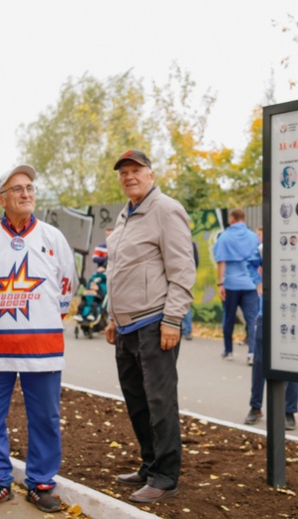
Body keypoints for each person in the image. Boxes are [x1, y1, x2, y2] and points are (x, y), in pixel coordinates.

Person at [0, 164, 76, 513]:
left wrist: (40, 320)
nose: (26, 193)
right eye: (17, 189)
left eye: (30, 187)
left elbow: (65, 288)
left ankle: (41, 484)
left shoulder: (53, 237)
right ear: (2, 198)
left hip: (42, 349)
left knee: (44, 417)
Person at [104, 150, 195, 503]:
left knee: (160, 403)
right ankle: (149, 464)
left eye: (136, 170)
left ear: (151, 174)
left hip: (155, 323)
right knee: (137, 402)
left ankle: (166, 476)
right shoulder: (126, 214)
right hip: (126, 327)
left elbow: (183, 270)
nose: (129, 176)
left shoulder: (166, 210)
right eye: (123, 172)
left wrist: (173, 320)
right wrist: (112, 316)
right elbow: (118, 271)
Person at [244, 243, 298, 429]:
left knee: (292, 362)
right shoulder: (263, 246)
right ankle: (255, 407)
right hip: (266, 312)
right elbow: (251, 264)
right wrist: (257, 282)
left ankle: (288, 412)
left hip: (294, 313)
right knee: (260, 362)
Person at [213, 209, 259, 363]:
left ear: (232, 219)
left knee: (229, 318)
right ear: (244, 219)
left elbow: (221, 261)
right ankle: (252, 353)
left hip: (231, 284)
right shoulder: (254, 237)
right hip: (250, 284)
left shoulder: (225, 236)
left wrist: (220, 283)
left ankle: (228, 351)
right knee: (252, 319)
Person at [181, 241, 200, 341]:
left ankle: (184, 327)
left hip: (176, 275)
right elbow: (196, 261)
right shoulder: (191, 243)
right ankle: (187, 329)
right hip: (187, 276)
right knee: (185, 302)